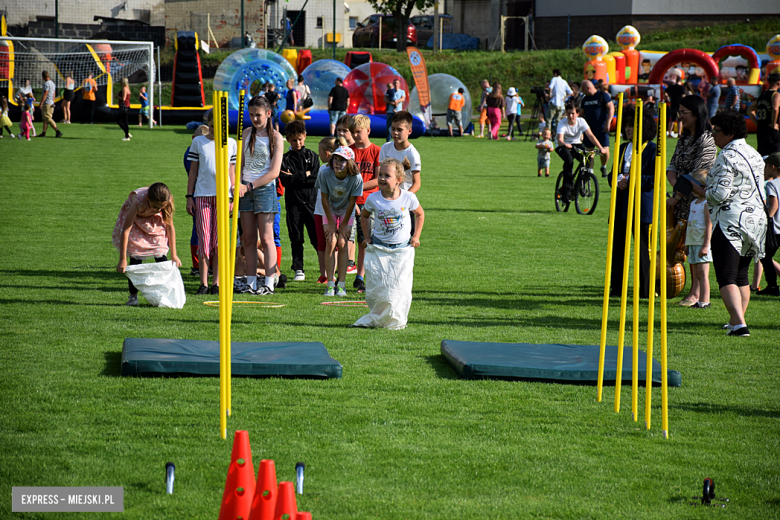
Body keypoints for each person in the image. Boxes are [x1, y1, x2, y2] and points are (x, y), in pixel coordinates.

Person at [690, 110, 767, 337]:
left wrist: (701, 190)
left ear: (730, 133)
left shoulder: (726, 156)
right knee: (741, 275)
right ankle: (736, 321)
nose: (713, 136)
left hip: (730, 221)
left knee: (726, 275)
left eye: (717, 132)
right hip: (755, 221)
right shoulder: (753, 152)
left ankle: (739, 324)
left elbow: (719, 194)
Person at [354, 158, 425, 329]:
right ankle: (379, 317)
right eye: (381, 175)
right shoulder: (373, 199)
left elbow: (420, 214)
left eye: (387, 175)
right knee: (380, 286)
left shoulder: (408, 197)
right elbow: (364, 216)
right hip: (379, 249)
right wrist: (367, 236)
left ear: (399, 180)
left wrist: (416, 236)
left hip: (401, 251)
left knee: (399, 287)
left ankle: (396, 319)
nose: (382, 179)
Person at [186, 110, 237, 295]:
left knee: (218, 241)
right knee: (204, 239)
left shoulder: (231, 144)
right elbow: (193, 171)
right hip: (202, 196)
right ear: (209, 125)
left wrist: (232, 197)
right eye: (214, 127)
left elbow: (232, 173)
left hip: (223, 197)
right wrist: (189, 196)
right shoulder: (198, 142)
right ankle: (203, 283)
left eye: (221, 127)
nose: (217, 131)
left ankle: (216, 283)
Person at [608, 106, 657, 299]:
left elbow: (654, 179)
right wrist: (618, 180)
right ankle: (617, 289)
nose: (628, 129)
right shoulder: (621, 148)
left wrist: (632, 180)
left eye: (632, 126)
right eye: (626, 126)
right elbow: (612, 174)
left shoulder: (653, 149)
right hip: (620, 205)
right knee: (618, 248)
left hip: (642, 205)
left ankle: (645, 290)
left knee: (643, 249)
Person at [238, 95, 283, 295]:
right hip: (245, 190)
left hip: (264, 190)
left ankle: (269, 283)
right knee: (247, 238)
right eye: (252, 115)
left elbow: (274, 172)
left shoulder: (276, 137)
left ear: (268, 114)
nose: (255, 119)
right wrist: (238, 184)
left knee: (266, 239)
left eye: (258, 115)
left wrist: (249, 186)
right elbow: (239, 164)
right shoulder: (246, 133)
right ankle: (250, 283)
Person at [113, 183, 181, 307]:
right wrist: (123, 259)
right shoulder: (138, 201)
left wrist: (174, 255)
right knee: (135, 259)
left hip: (154, 222)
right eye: (156, 207)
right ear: (148, 199)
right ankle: (133, 298)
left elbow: (170, 228)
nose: (159, 210)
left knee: (161, 256)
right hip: (136, 223)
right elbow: (126, 230)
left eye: (162, 207)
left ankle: (165, 295)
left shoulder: (165, 202)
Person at [316, 146, 363, 296]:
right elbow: (324, 198)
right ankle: (330, 284)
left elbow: (352, 202)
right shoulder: (325, 173)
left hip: (346, 211)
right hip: (329, 209)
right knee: (330, 241)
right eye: (336, 158)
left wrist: (343, 225)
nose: (337, 162)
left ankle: (341, 285)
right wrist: (330, 222)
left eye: (342, 160)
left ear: (349, 162)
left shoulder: (356, 178)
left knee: (343, 242)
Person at [666, 95, 717, 230]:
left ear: (696, 114)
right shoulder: (684, 140)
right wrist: (677, 188)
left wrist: (676, 197)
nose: (680, 116)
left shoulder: (706, 140)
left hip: (697, 205)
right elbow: (672, 167)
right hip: (680, 204)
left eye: (684, 112)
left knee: (693, 247)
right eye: (679, 112)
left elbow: (697, 177)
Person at [279, 120, 320, 281]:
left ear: (305, 136)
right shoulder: (285, 159)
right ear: (288, 139)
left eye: (300, 139)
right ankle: (298, 269)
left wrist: (295, 177)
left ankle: (325, 267)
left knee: (316, 237)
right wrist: (305, 175)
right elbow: (285, 181)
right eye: (294, 140)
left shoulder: (312, 156)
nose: (298, 143)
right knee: (295, 236)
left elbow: (315, 179)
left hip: (311, 202)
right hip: (293, 203)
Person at [349, 115, 381, 293]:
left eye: (358, 132)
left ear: (368, 131)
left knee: (365, 241)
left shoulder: (377, 150)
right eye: (352, 132)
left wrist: (357, 188)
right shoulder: (348, 151)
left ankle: (360, 277)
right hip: (349, 202)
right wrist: (352, 195)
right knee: (346, 240)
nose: (355, 135)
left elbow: (377, 180)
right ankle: (341, 275)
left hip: (369, 203)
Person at [555, 103, 607, 203]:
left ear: (578, 113)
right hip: (562, 146)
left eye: (573, 113)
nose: (571, 116)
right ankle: (566, 192)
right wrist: (565, 144)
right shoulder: (562, 123)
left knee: (587, 158)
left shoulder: (581, 121)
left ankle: (580, 183)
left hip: (577, 144)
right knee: (569, 161)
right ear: (566, 113)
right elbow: (560, 140)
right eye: (569, 113)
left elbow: (591, 135)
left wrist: (601, 148)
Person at [183, 124, 210, 276]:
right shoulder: (190, 153)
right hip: (198, 195)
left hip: (206, 194)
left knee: (208, 230)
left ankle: (208, 263)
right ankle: (196, 265)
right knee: (199, 230)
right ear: (194, 139)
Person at [314, 137, 341, 284]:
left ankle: (332, 274)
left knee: (332, 242)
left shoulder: (340, 171)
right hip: (319, 210)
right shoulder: (322, 169)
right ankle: (323, 274)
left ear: (328, 153)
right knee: (321, 243)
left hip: (333, 212)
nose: (319, 155)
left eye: (320, 152)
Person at [380, 111, 422, 193]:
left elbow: (417, 184)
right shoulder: (385, 148)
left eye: (399, 130)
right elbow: (380, 174)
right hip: (386, 196)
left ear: (409, 131)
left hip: (403, 199)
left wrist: (403, 198)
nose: (395, 132)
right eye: (393, 129)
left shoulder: (412, 154)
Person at [757, 152, 780, 296]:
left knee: (765, 256)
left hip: (776, 228)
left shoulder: (772, 184)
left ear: (772, 167)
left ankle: (772, 287)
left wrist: (766, 219)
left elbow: (774, 205)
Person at [579, 80, 614, 177]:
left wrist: (608, 122)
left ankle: (603, 166)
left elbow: (611, 107)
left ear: (589, 88)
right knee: (589, 151)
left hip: (602, 128)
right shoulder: (585, 99)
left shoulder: (602, 95)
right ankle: (590, 171)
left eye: (583, 89)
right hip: (589, 130)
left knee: (605, 151)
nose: (582, 91)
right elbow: (581, 114)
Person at [747, 72, 780, 156]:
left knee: (763, 157)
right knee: (775, 158)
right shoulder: (775, 94)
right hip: (772, 133)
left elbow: (750, 110)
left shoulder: (762, 95)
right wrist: (773, 124)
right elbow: (775, 108)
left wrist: (757, 123)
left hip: (761, 131)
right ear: (778, 83)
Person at [547, 68, 572, 134]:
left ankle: (548, 134)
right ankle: (558, 134)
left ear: (555, 74)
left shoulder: (554, 79)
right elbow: (570, 92)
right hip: (561, 103)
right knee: (558, 120)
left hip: (554, 101)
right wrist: (564, 98)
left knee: (549, 119)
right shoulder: (564, 81)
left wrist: (550, 95)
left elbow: (550, 87)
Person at [38, 71, 62, 138]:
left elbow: (45, 93)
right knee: (45, 119)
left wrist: (41, 103)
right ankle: (43, 132)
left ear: (44, 77)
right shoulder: (52, 83)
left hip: (47, 103)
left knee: (48, 118)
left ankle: (57, 131)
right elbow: (54, 93)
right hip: (51, 102)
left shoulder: (47, 84)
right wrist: (53, 101)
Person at [664, 70, 685, 138]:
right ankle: (679, 134)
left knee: (672, 120)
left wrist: (667, 97)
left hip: (672, 105)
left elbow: (665, 92)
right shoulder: (682, 88)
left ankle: (669, 133)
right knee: (680, 120)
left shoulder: (672, 87)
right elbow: (683, 97)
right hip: (679, 106)